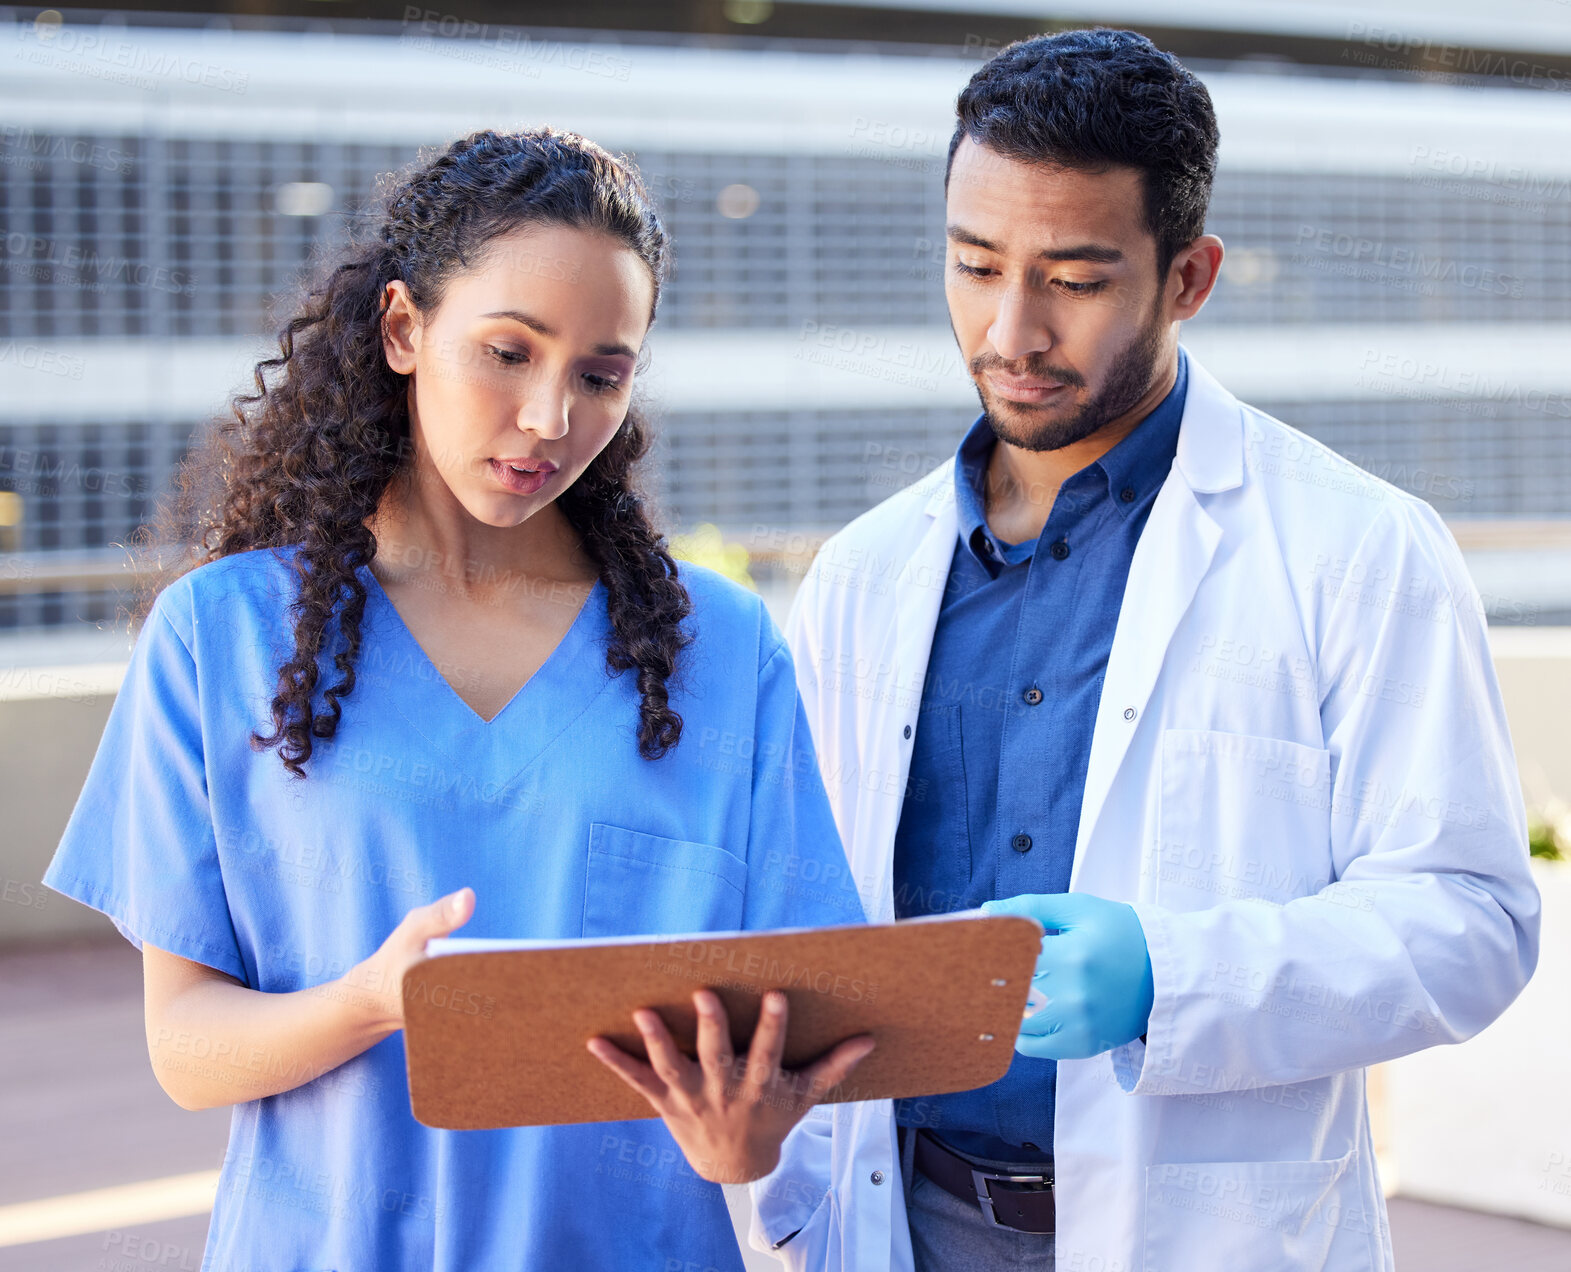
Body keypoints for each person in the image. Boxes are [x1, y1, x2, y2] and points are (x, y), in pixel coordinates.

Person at [747, 29, 1541, 1272]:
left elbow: (1471, 919)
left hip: (1204, 1235)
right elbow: (805, 916)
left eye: (1072, 278)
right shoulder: (861, 574)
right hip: (900, 1220)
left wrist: (1168, 977)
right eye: (973, 264)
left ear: (1188, 277)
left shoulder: (1357, 549)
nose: (1009, 328)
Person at [42, 126, 872, 1272]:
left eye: (599, 374)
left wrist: (741, 1144)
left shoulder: (719, 652)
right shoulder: (219, 638)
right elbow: (187, 1049)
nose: (548, 419)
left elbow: (793, 1029)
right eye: (507, 352)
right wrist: (376, 1002)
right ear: (402, 329)